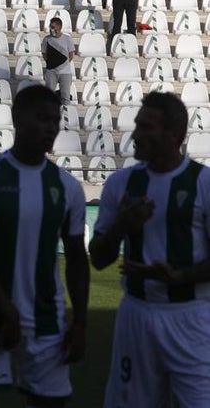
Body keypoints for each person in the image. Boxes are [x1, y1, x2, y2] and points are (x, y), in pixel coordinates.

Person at [0, 84, 88, 408]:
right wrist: (7, 310)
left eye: (55, 121)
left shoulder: (67, 187)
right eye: (42, 118)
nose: (50, 128)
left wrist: (81, 322)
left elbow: (76, 259)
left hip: (47, 319)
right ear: (17, 119)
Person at [89, 91, 210, 408]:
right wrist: (121, 226)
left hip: (191, 317)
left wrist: (179, 275)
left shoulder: (203, 183)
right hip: (137, 314)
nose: (136, 135)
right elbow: (99, 259)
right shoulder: (120, 184)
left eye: (146, 127)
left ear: (174, 135)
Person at [40, 16, 76, 104]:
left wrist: (62, 65)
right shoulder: (47, 39)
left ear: (59, 27)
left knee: (65, 97)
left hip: (65, 72)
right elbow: (44, 53)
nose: (51, 29)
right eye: (50, 27)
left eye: (53, 27)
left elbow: (71, 55)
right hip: (51, 72)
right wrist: (51, 64)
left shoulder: (67, 39)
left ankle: (66, 116)